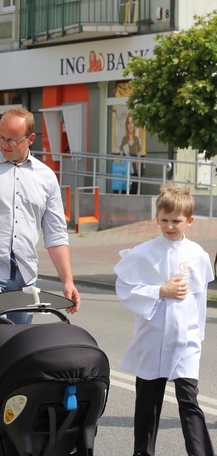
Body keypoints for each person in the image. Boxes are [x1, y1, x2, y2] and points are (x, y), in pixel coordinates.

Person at [0, 107, 81, 392]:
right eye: (1, 138)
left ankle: (8, 417)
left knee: (19, 348)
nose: (5, 144)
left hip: (24, 277)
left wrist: (67, 281)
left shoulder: (46, 177)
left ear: (30, 138)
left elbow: (56, 233)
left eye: (13, 139)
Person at [114, 184, 214, 456]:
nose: (170, 226)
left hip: (185, 339)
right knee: (148, 401)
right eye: (164, 220)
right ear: (156, 218)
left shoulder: (197, 255)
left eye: (176, 221)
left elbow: (200, 299)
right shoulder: (144, 252)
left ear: (189, 221)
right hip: (153, 337)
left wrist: (198, 335)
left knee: (189, 401)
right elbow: (125, 288)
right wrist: (159, 291)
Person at [118, 113, 143, 194]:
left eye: (132, 122)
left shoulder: (137, 140)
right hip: (125, 172)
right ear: (126, 125)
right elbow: (121, 157)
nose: (130, 125)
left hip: (134, 173)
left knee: (133, 193)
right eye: (128, 123)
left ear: (134, 124)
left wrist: (139, 173)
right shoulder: (124, 139)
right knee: (124, 193)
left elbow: (139, 157)